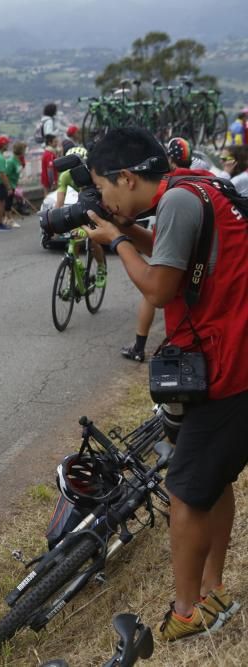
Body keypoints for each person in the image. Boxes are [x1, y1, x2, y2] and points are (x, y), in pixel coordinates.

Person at [85, 127, 248, 641]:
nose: (106, 201)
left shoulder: (177, 199)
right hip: (235, 355)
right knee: (212, 481)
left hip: (229, 363)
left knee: (182, 490)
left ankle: (187, 612)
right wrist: (129, 233)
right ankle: (212, 589)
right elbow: (177, 254)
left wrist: (114, 241)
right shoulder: (196, 185)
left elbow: (159, 285)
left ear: (127, 177)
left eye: (104, 189)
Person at [121, 138, 223, 364]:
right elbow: (165, 250)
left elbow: (158, 292)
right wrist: (123, 227)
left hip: (209, 350)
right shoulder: (202, 180)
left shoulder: (177, 197)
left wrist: (116, 239)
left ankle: (139, 345)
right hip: (216, 333)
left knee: (151, 287)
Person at [54, 147, 107, 288]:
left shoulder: (91, 173)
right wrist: (54, 221)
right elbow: (59, 201)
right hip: (80, 201)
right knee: (74, 239)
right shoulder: (65, 176)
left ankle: (101, 267)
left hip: (94, 201)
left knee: (93, 238)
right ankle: (74, 270)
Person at [4, 141, 27, 228]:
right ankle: (10, 220)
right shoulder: (11, 161)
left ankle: (6, 219)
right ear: (21, 151)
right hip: (9, 185)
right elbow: (6, 174)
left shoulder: (17, 159)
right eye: (24, 150)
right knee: (8, 204)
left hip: (13, 184)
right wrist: (9, 187)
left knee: (9, 203)